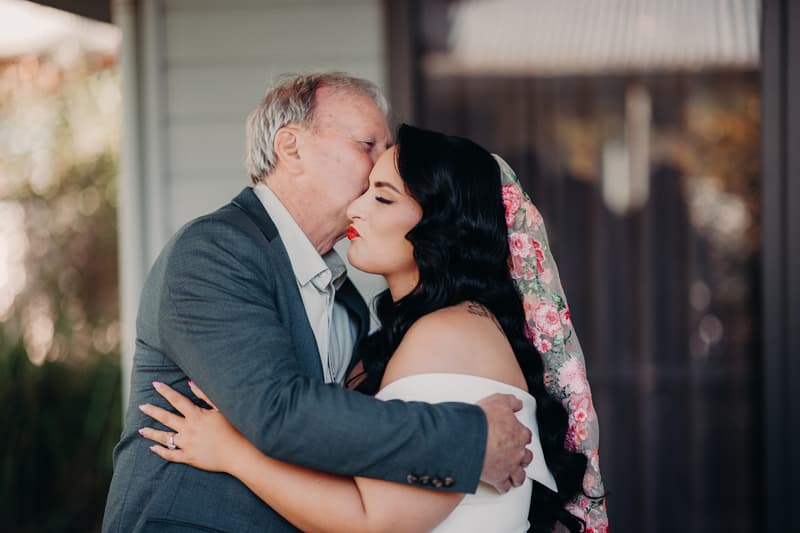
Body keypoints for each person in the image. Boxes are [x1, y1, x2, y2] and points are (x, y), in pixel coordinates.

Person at [102, 73, 536, 533]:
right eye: (367, 145)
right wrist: (470, 439)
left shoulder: (350, 302)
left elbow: (338, 454)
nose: (380, 163)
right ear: (291, 148)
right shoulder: (214, 251)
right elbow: (278, 410)